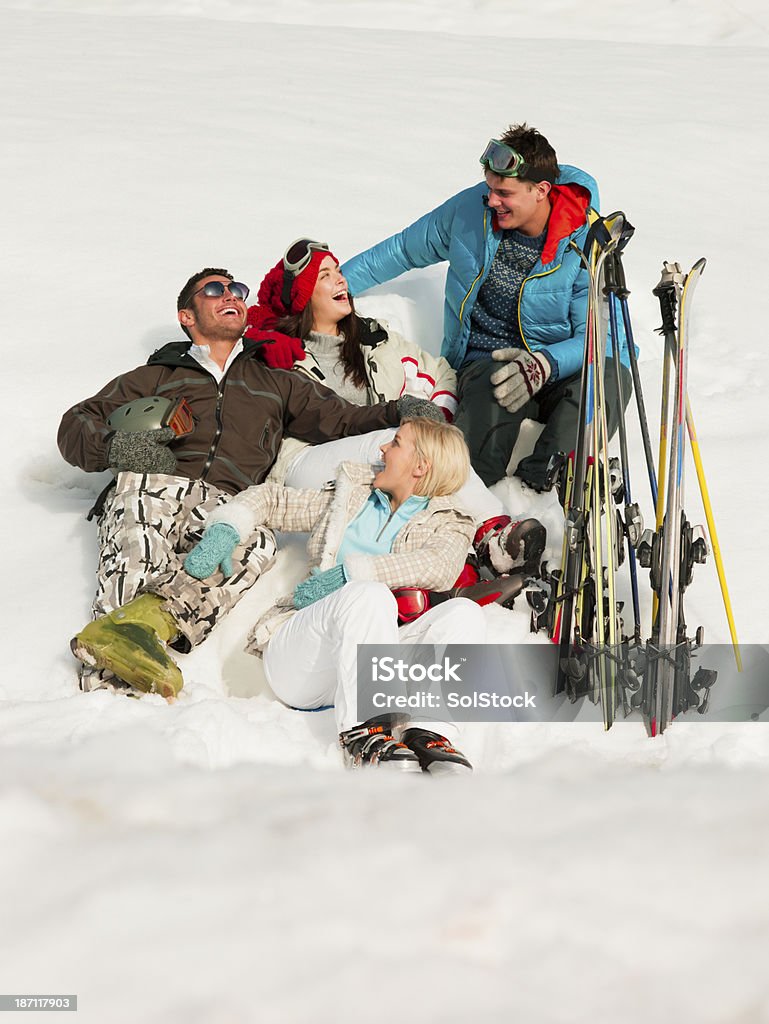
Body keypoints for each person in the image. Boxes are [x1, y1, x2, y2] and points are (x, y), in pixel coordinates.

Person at [59, 268, 439, 699]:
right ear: (187, 316)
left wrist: (398, 411)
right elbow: (75, 424)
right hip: (155, 482)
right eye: (215, 290)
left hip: (223, 502)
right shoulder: (154, 377)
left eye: (237, 289)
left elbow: (343, 420)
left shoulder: (275, 382)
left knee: (258, 542)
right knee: (141, 521)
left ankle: (140, 629)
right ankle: (108, 687)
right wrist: (121, 449)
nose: (232, 296)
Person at [184, 417, 487, 773]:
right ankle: (365, 732)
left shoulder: (451, 521)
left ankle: (428, 732)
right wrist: (229, 524)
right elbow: (275, 499)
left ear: (420, 466)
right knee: (368, 596)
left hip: (366, 661)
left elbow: (438, 566)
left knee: (464, 614)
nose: (383, 448)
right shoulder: (354, 494)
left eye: (397, 443)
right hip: (301, 658)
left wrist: (353, 572)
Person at [341, 123, 632, 492]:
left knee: (610, 376)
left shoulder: (585, 240)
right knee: (485, 420)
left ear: (541, 190)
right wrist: (330, 287)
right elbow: (400, 250)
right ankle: (469, 505)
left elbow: (598, 338)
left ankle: (544, 486)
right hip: (486, 360)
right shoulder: (469, 213)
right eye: (490, 189)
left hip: (556, 366)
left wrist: (544, 364)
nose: (492, 200)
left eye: (504, 193)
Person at [245, 238, 547, 579]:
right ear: (303, 296)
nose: (341, 280)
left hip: (380, 454)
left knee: (413, 457)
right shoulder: (279, 354)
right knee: (405, 444)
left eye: (339, 270)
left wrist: (439, 415)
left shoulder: (374, 339)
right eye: (325, 276)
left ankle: (465, 562)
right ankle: (492, 530)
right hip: (306, 464)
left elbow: (441, 373)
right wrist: (418, 433)